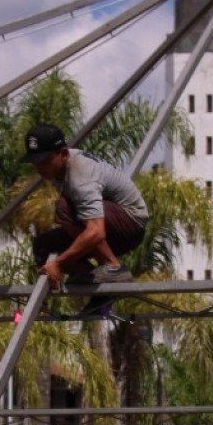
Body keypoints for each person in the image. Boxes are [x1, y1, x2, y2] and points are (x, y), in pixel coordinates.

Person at [23, 123, 148, 322]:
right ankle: (103, 290)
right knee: (43, 245)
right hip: (108, 225)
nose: (40, 168)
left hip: (130, 223)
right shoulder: (58, 171)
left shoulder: (80, 176)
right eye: (35, 162)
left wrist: (59, 263)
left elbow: (96, 232)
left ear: (63, 153)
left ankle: (112, 267)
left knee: (64, 208)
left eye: (45, 160)